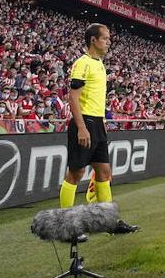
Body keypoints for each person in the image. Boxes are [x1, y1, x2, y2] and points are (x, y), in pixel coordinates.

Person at [58, 23, 138, 234]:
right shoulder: (82, 64)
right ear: (93, 40)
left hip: (98, 124)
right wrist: (82, 127)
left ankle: (109, 222)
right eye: (105, 38)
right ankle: (66, 223)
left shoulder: (100, 64)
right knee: (76, 172)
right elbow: (72, 98)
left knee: (104, 172)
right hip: (84, 123)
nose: (109, 42)